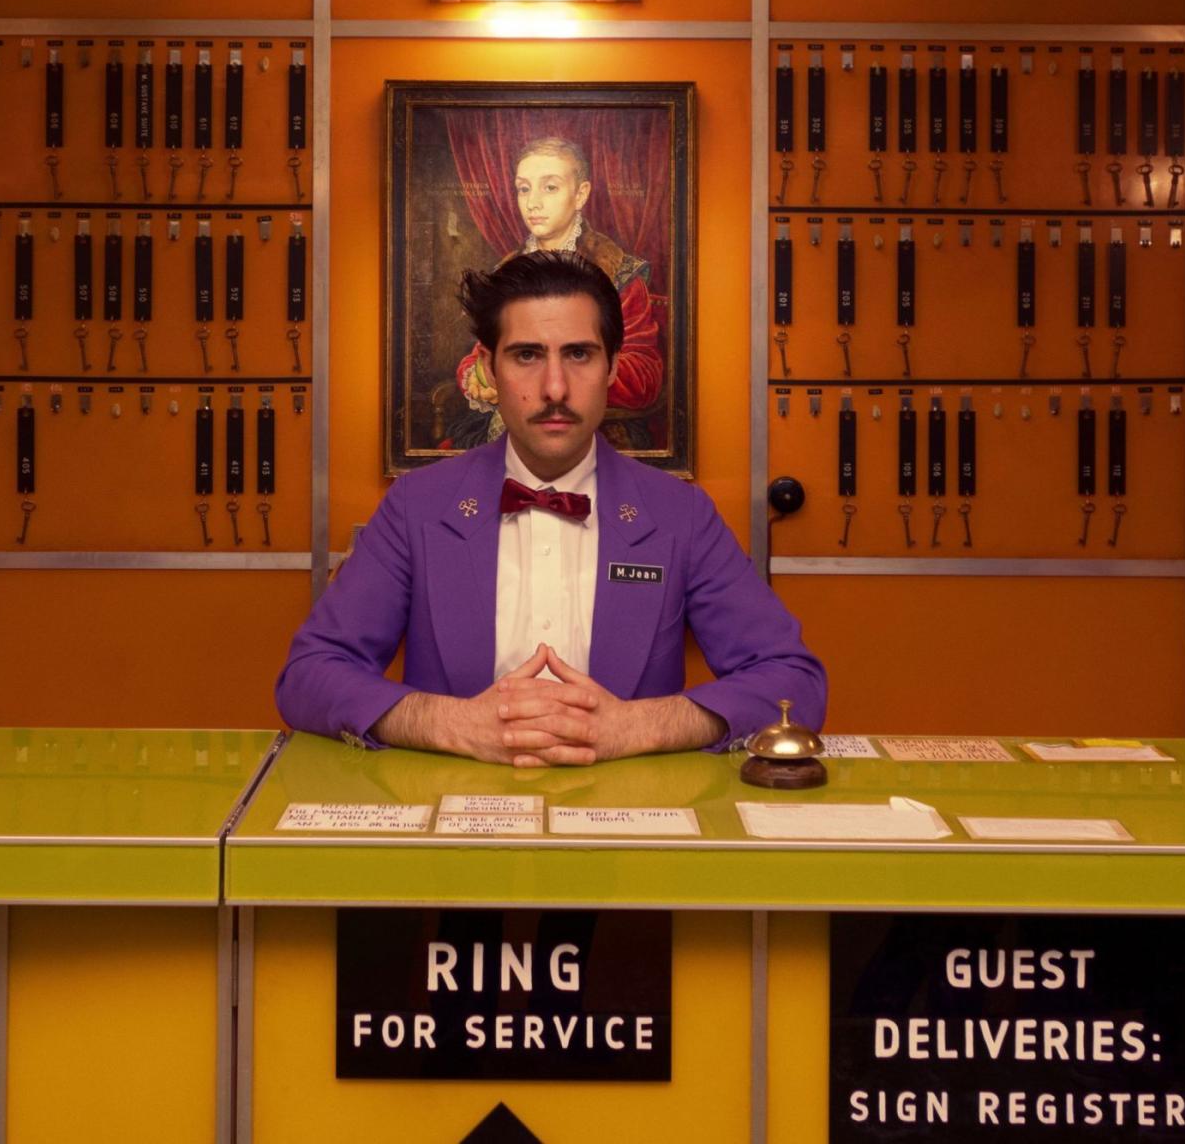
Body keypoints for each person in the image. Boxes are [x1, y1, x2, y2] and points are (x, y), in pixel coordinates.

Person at [280, 251, 825, 764]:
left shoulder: (682, 514)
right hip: (451, 829)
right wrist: (447, 722)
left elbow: (792, 683)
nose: (555, 387)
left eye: (579, 354)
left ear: (613, 367)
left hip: (630, 830)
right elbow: (309, 675)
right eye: (527, 355)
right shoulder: (415, 507)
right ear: (490, 370)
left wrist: (637, 726)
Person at [446, 135, 664, 450]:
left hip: (597, 429)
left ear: (581, 194)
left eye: (550, 187)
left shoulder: (619, 270)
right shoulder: (506, 272)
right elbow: (477, 357)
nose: (533, 202)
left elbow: (645, 376)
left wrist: (543, 377)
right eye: (524, 188)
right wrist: (481, 374)